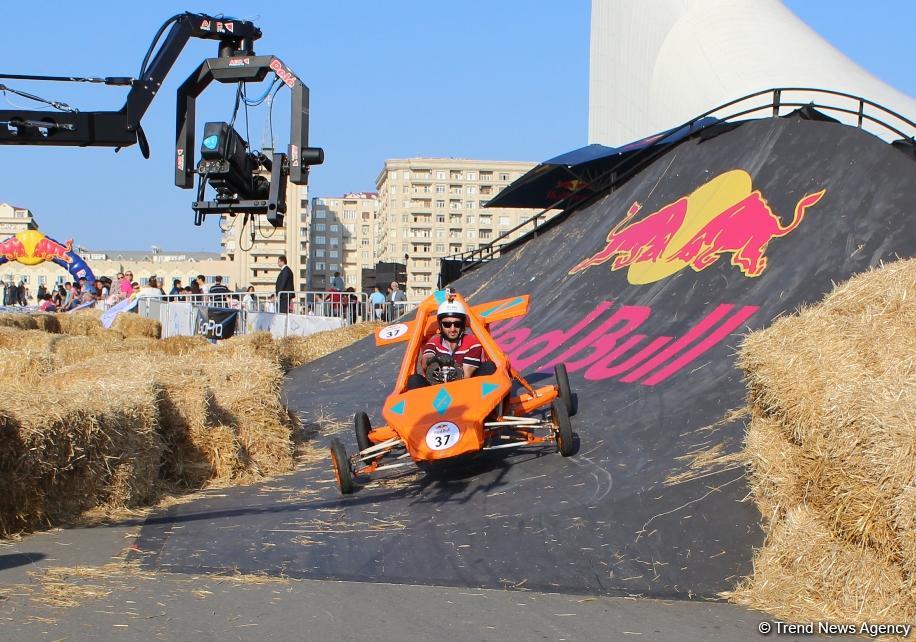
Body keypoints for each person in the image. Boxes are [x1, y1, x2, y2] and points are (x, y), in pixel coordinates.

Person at [408, 299, 495, 389]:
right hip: (436, 389)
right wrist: (434, 360)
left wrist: (448, 365)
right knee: (414, 380)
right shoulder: (433, 343)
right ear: (440, 325)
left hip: (467, 388)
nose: (452, 329)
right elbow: (425, 361)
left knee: (488, 366)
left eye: (457, 324)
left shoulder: (473, 343)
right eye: (447, 324)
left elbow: (465, 375)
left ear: (463, 325)